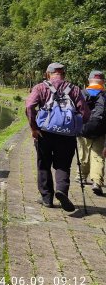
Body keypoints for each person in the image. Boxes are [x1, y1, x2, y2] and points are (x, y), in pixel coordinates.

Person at [25, 62, 90, 211]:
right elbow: (85, 114)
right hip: (67, 136)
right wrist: (75, 126)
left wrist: (34, 128)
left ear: (48, 74)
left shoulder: (41, 87)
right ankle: (61, 190)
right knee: (63, 165)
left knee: (44, 164)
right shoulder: (74, 89)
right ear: (63, 74)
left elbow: (29, 106)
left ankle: (47, 198)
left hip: (44, 133)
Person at [77, 70, 106, 195]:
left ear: (89, 81)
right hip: (100, 129)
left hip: (83, 128)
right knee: (98, 155)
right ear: (103, 82)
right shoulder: (105, 95)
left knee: (83, 151)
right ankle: (97, 182)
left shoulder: (81, 93)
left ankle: (81, 176)